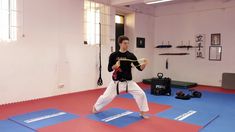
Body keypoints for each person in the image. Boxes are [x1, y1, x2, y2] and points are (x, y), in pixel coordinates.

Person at [92, 35, 149, 118]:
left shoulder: (131, 55)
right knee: (106, 97)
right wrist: (115, 66)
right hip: (116, 82)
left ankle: (142, 112)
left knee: (141, 94)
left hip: (128, 82)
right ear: (120, 44)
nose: (127, 45)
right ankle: (96, 107)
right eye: (125, 43)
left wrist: (145, 64)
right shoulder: (113, 55)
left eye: (128, 43)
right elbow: (109, 69)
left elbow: (140, 68)